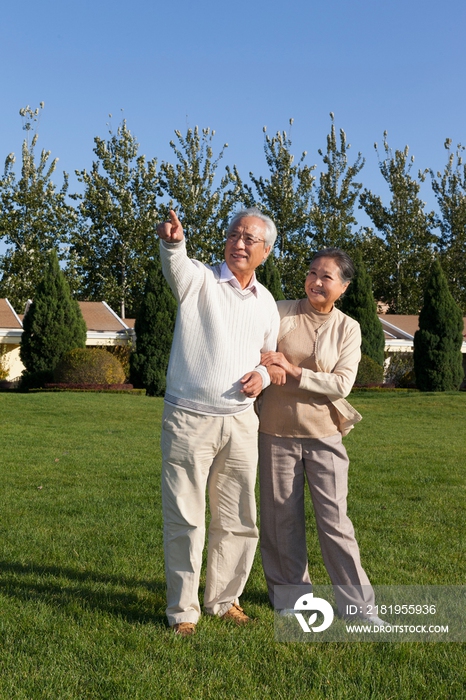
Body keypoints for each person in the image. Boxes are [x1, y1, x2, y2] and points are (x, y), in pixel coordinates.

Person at [157, 208, 280, 637]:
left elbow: (271, 360)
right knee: (186, 518)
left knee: (238, 518)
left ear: (265, 251)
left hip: (242, 424)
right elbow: (176, 264)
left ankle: (224, 600)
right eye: (234, 234)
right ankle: (183, 612)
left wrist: (262, 377)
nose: (239, 243)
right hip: (189, 420)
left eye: (249, 239)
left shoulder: (267, 303)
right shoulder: (199, 279)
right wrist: (174, 243)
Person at [259, 248, 387, 625]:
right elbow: (262, 355)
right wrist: (273, 364)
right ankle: (290, 598)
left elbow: (342, 383)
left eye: (326, 276)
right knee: (281, 520)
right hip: (275, 431)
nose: (316, 281)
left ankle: (359, 607)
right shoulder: (280, 311)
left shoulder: (349, 328)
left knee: (335, 521)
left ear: (343, 287)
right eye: (312, 273)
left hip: (325, 435)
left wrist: (293, 371)